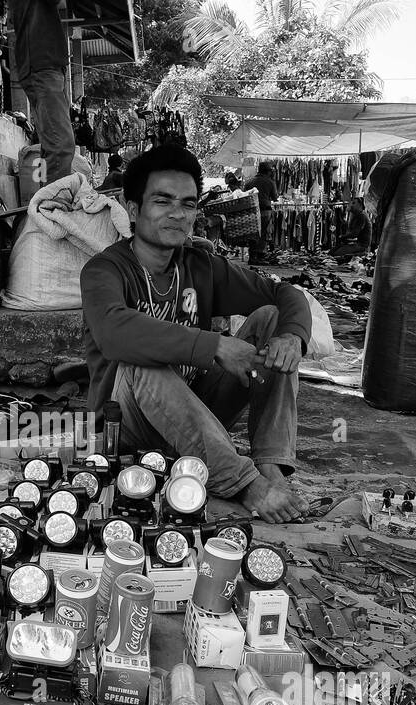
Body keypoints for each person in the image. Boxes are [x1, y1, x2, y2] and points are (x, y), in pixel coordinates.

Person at [79, 145, 312, 523]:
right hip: (126, 427)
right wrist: (215, 346)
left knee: (271, 318)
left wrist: (292, 336)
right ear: (133, 208)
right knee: (142, 361)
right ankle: (246, 483)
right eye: (163, 201)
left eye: (188, 204)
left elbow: (284, 295)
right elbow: (113, 333)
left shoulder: (200, 266)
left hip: (190, 414)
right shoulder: (104, 270)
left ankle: (270, 465)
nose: (177, 214)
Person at [8, 0, 75, 185]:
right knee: (60, 145)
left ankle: (48, 201)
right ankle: (53, 206)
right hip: (42, 65)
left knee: (53, 144)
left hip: (45, 65)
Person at [243, 161, 279, 259]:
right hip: (264, 210)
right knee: (262, 233)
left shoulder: (249, 182)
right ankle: (258, 256)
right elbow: (275, 198)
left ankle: (252, 255)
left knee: (252, 233)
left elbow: (244, 196)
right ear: (268, 171)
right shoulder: (270, 182)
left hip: (251, 211)